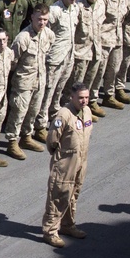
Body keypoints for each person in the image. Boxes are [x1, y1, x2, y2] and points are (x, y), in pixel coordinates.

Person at [41, 82, 93, 248]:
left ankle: (67, 225)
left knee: (73, 194)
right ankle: (50, 231)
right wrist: (60, 157)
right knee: (58, 195)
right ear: (72, 97)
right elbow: (52, 140)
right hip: (65, 162)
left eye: (86, 97)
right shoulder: (64, 115)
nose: (84, 101)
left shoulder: (87, 112)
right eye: (80, 98)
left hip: (81, 161)